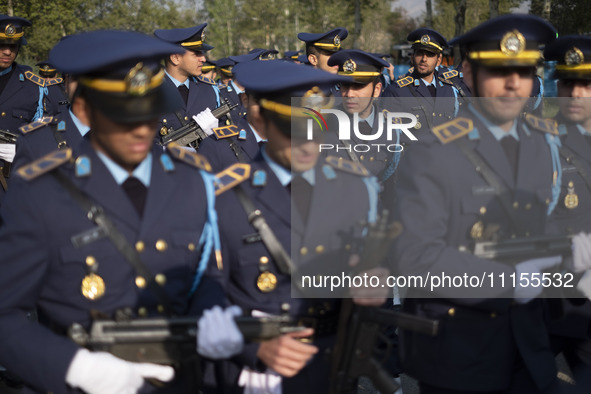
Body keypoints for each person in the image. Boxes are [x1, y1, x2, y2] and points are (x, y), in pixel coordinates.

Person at [0, 29, 243, 394]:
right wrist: (74, 366)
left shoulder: (190, 182)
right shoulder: (43, 192)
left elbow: (206, 275)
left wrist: (213, 314)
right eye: (123, 113)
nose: (140, 128)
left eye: (150, 112)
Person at [392, 14, 565, 393]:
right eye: (497, 70)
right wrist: (507, 279)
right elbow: (415, 256)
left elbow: (539, 223)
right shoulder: (431, 152)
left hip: (530, 351)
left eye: (522, 71)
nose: (511, 84)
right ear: (468, 73)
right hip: (460, 355)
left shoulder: (539, 143)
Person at [202, 59, 389, 393]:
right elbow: (205, 295)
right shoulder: (222, 199)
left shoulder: (357, 188)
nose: (307, 144)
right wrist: (253, 346)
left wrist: (377, 279)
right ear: (259, 118)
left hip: (331, 366)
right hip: (255, 374)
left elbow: (374, 265)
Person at [544, 35, 591, 392]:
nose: (575, 94)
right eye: (568, 83)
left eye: (586, 83)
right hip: (544, 303)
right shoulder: (531, 140)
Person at [0, 15, 46, 201]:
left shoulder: (33, 87)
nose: (7, 52)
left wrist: (23, 149)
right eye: (1, 45)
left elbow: (44, 137)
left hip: (12, 186)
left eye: (13, 46)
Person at [382, 27, 459, 132]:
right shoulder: (396, 92)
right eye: (420, 53)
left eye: (430, 55)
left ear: (439, 60)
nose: (424, 59)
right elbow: (389, 138)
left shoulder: (450, 90)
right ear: (412, 57)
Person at [154, 23, 220, 136]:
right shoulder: (151, 92)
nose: (203, 59)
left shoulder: (210, 90)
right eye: (196, 54)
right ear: (175, 58)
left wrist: (214, 136)